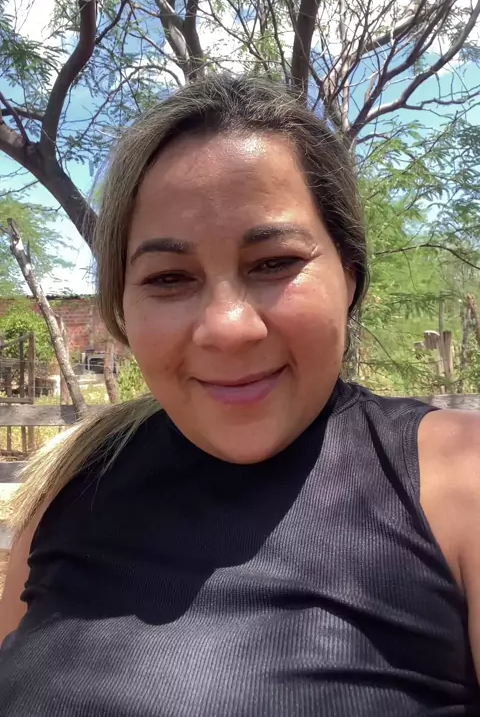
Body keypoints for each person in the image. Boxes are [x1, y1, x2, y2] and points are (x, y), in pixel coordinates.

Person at [0, 75, 479, 716]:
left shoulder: (458, 479)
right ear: (123, 306)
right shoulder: (72, 480)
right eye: (169, 277)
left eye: (274, 263)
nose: (227, 329)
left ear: (349, 274)